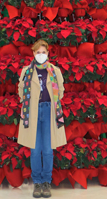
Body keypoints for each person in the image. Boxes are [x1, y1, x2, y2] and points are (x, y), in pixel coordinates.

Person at [18, 39, 67, 198]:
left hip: (48, 111)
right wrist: (27, 102)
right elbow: (20, 89)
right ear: (33, 53)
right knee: (34, 149)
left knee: (47, 149)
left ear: (48, 53)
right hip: (32, 112)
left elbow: (60, 90)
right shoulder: (26, 71)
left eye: (43, 52)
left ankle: (46, 182)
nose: (40, 55)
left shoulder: (55, 70)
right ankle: (37, 182)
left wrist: (53, 100)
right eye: (38, 52)